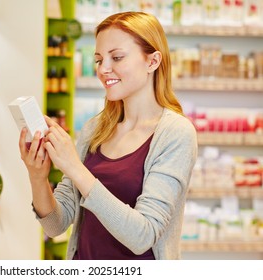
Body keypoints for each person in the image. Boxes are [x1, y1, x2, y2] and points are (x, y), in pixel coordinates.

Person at [19, 11, 197, 260]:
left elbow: (143, 236)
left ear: (153, 61)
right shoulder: (96, 130)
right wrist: (37, 176)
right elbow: (55, 225)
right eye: (99, 59)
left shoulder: (175, 134)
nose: (104, 69)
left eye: (117, 57)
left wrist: (75, 168)